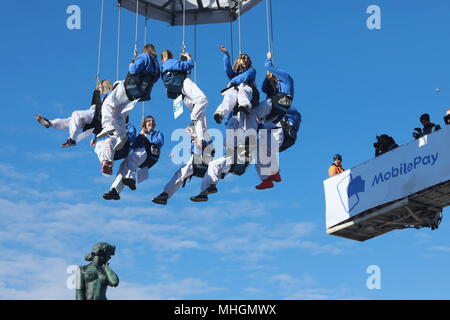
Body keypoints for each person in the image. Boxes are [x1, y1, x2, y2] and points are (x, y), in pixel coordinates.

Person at [97, 44, 160, 150]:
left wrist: (131, 63)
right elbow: (154, 79)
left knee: (108, 103)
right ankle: (121, 135)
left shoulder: (144, 56)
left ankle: (107, 124)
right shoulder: (156, 64)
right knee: (118, 113)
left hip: (130, 87)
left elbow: (133, 69)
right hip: (138, 94)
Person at [35, 80, 113, 147]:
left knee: (76, 114)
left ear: (105, 86)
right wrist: (94, 137)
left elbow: (113, 98)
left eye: (100, 87)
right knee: (71, 120)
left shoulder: (110, 95)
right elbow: (98, 126)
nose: (99, 89)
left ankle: (72, 139)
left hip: (98, 114)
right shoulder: (102, 98)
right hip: (94, 120)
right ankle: (51, 123)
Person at [102, 116, 164, 200]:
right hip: (138, 152)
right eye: (149, 121)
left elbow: (159, 142)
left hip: (148, 152)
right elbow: (134, 145)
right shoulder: (142, 133)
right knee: (123, 166)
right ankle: (115, 190)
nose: (151, 123)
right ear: (145, 124)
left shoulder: (157, 133)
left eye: (153, 121)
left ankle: (131, 179)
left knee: (133, 158)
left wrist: (147, 135)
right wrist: (141, 135)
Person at [152, 127, 214, 205]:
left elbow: (209, 147)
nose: (188, 134)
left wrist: (196, 136)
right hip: (197, 162)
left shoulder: (203, 135)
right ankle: (165, 195)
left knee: (181, 173)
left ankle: (166, 194)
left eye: (189, 131)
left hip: (203, 159)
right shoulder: (193, 140)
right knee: (180, 174)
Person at [160, 49, 208, 148]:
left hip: (180, 93)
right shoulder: (171, 62)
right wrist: (189, 58)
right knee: (202, 99)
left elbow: (185, 70)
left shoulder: (163, 69)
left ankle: (200, 139)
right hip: (183, 84)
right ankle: (192, 124)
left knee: (199, 112)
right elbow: (189, 65)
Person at [246, 52, 294, 133]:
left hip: (275, 104)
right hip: (279, 111)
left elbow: (268, 66)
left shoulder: (286, 78)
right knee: (264, 128)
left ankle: (248, 135)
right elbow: (264, 89)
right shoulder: (277, 86)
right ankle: (251, 137)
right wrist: (267, 78)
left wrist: (269, 58)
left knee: (253, 113)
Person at [255, 107, 301, 190]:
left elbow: (293, 113)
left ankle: (274, 173)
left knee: (260, 147)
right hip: (271, 136)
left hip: (277, 134)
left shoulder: (278, 112)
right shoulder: (267, 121)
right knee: (258, 153)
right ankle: (266, 180)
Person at [213, 47, 257, 123]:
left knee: (242, 88)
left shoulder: (251, 70)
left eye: (247, 59)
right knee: (229, 95)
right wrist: (226, 55)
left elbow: (245, 76)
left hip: (247, 93)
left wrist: (232, 81)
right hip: (235, 95)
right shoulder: (235, 74)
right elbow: (227, 69)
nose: (245, 60)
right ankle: (220, 114)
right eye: (243, 58)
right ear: (239, 61)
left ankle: (245, 105)